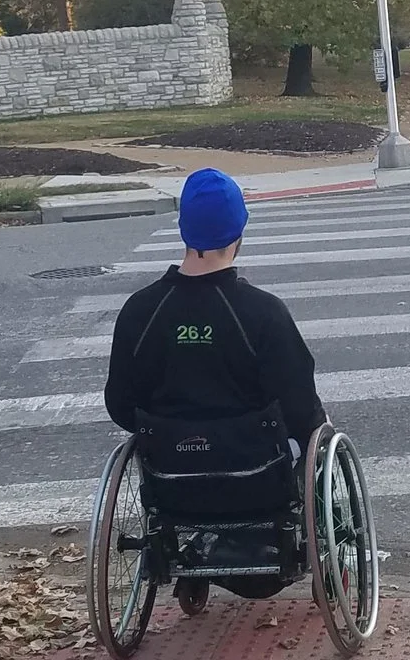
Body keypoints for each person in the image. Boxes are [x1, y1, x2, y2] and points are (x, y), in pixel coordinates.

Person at [104, 168, 326, 601]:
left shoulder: (140, 311)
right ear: (239, 230)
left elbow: (120, 405)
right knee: (319, 435)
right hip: (257, 478)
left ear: (183, 227)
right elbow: (302, 410)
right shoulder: (263, 313)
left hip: (171, 481)